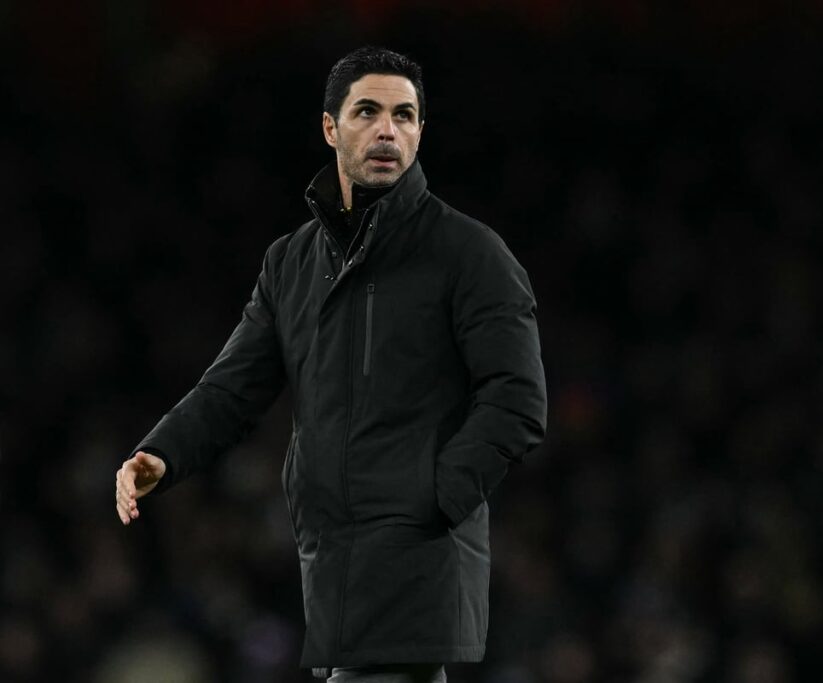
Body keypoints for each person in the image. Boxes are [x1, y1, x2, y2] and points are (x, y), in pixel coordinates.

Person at [113, 46, 547, 683]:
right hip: (331, 566)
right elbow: (234, 387)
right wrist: (164, 452)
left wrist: (429, 498)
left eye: (404, 116)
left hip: (415, 568)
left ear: (422, 132)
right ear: (329, 127)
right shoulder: (291, 262)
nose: (386, 130)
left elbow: (517, 399)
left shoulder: (469, 253)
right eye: (367, 111)